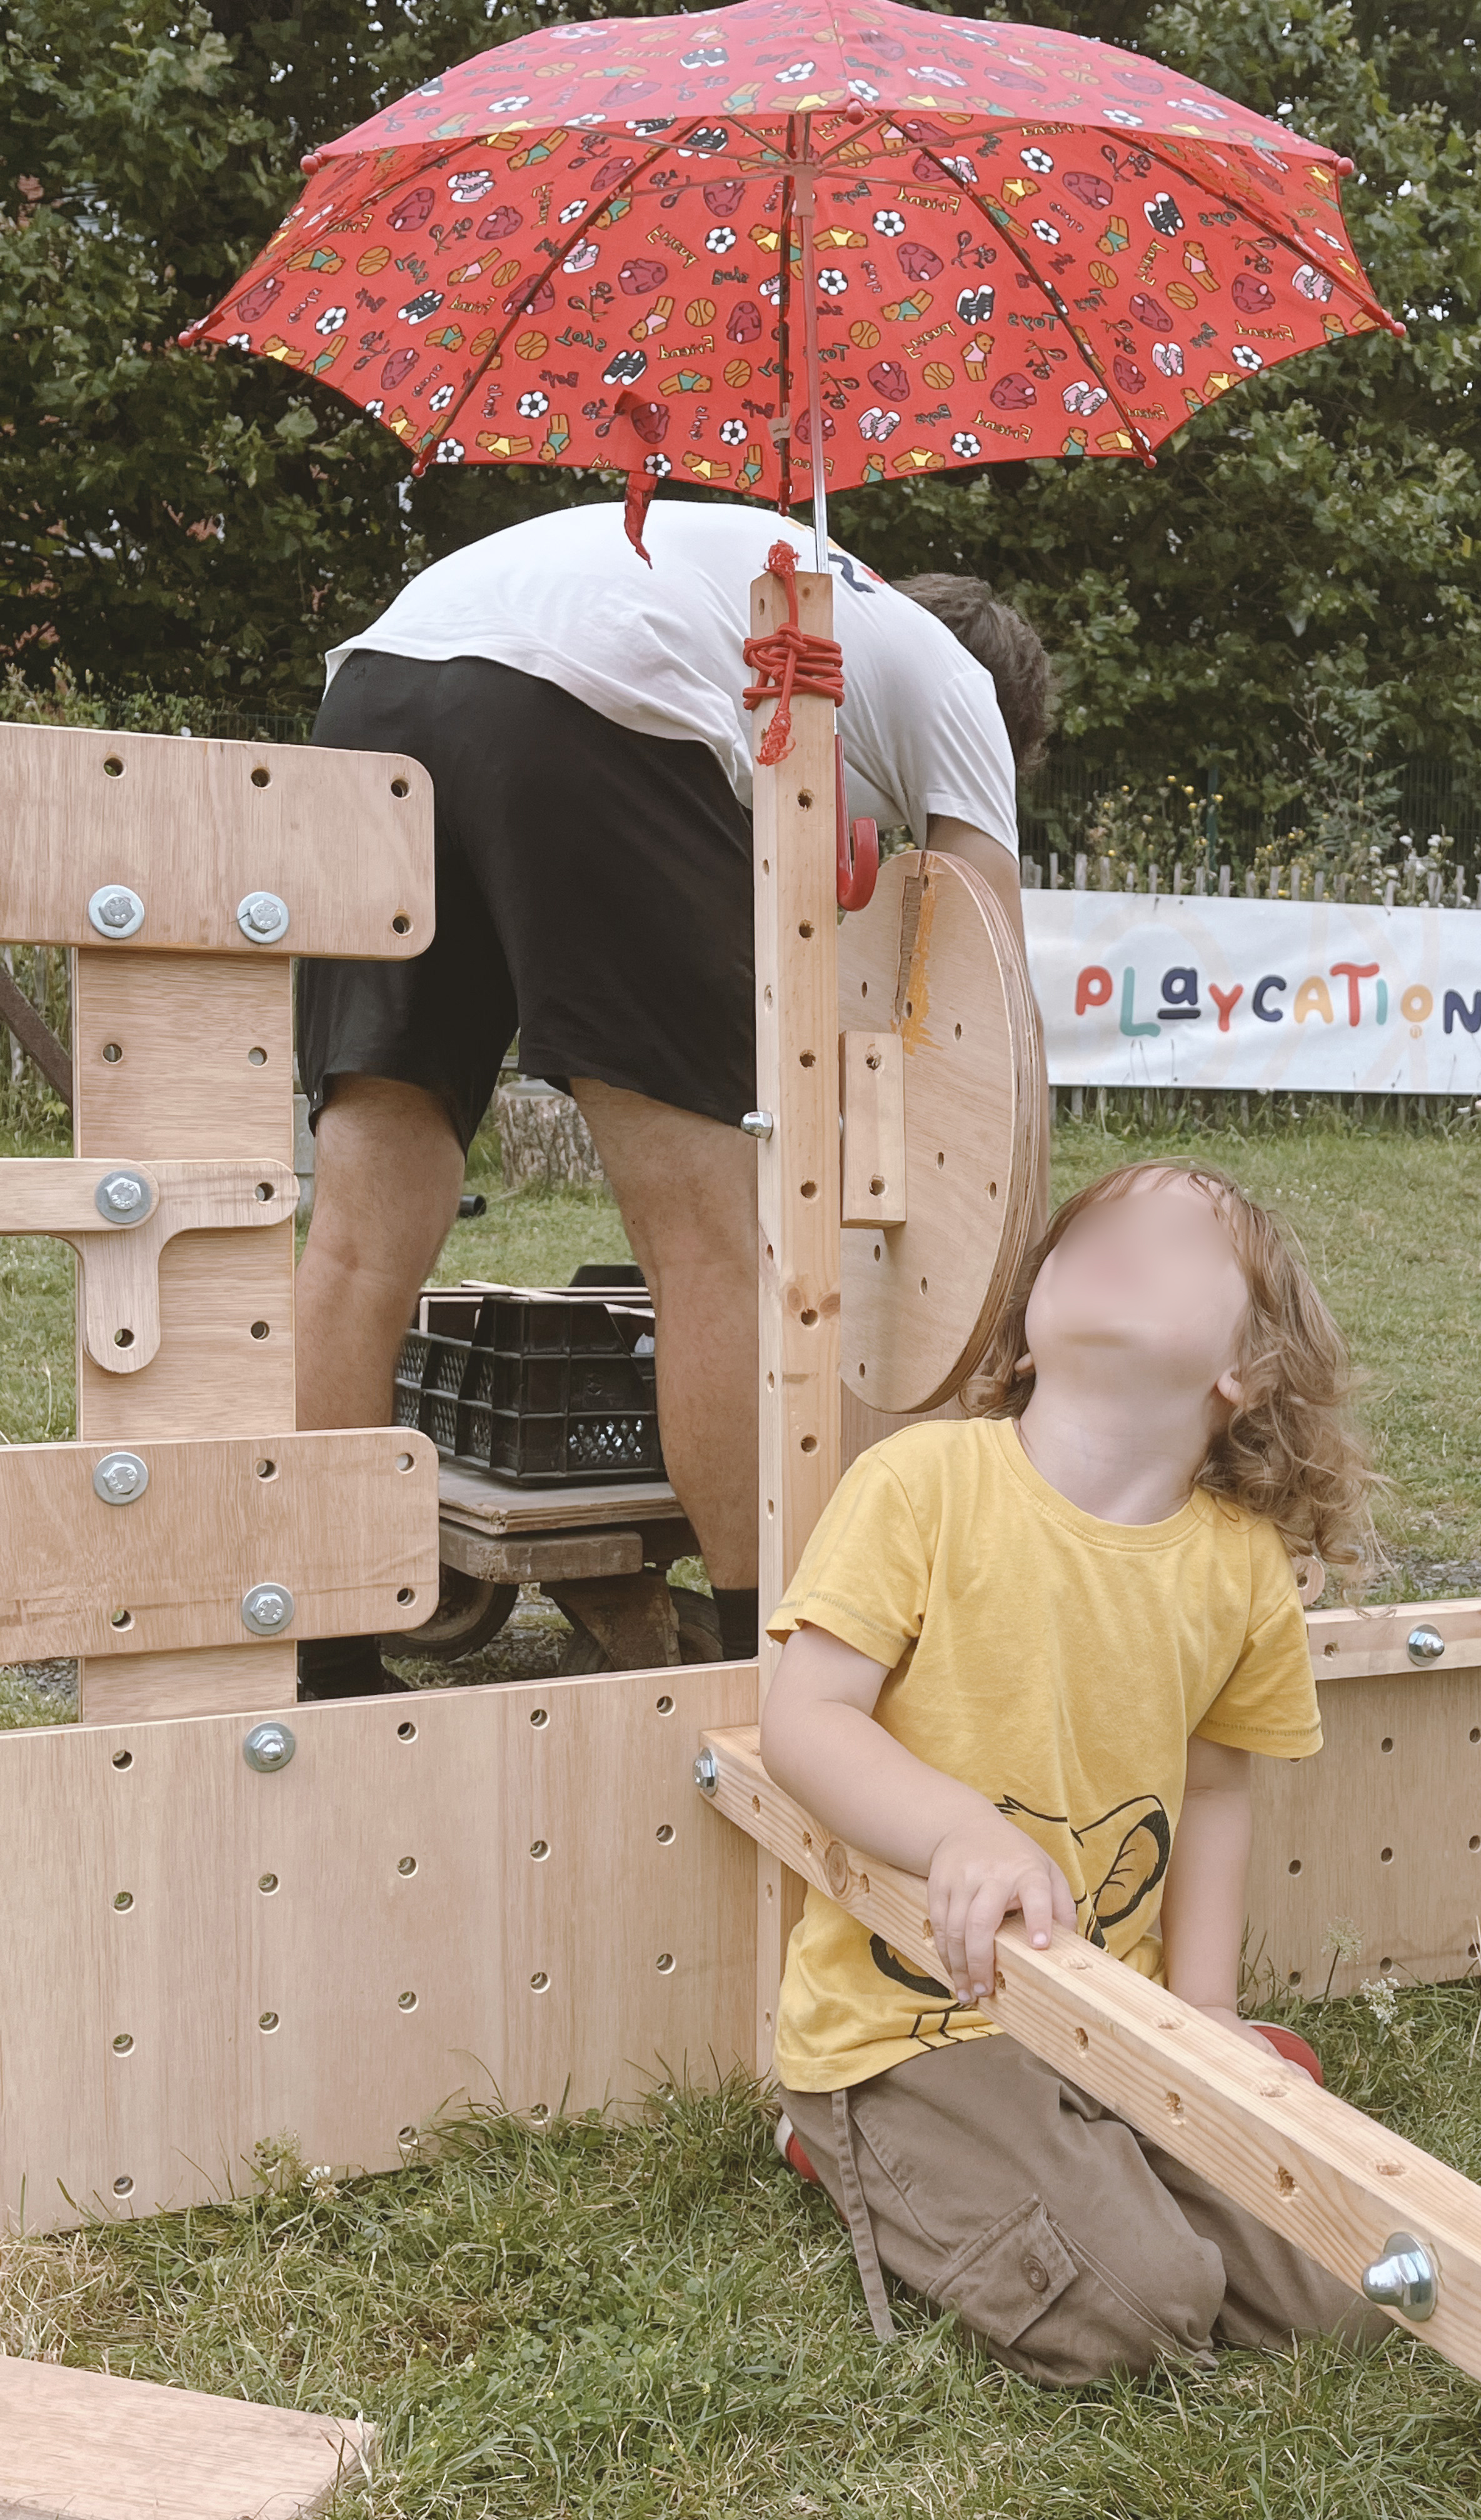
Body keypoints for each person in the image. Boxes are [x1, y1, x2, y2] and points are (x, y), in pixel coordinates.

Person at [293, 495, 1052, 1701]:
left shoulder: (781, 614)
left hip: (380, 686)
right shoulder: (961, 687)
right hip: (588, 704)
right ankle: (767, 1678)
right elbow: (986, 1000)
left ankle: (326, 1662)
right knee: (713, 1245)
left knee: (357, 1236)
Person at [757, 1159, 1392, 2382]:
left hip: (1111, 2009)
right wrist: (958, 1831)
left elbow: (1217, 1791)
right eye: (1093, 1226)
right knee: (1146, 2307)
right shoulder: (921, 1484)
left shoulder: (1242, 1567)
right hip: (914, 2032)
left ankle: (1113, 2155)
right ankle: (832, 2142)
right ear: (1034, 1326)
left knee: (1354, 2287)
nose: (1118, 1241)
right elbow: (806, 1718)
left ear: (1246, 1370)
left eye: (1179, 1241)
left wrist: (1207, 2017)